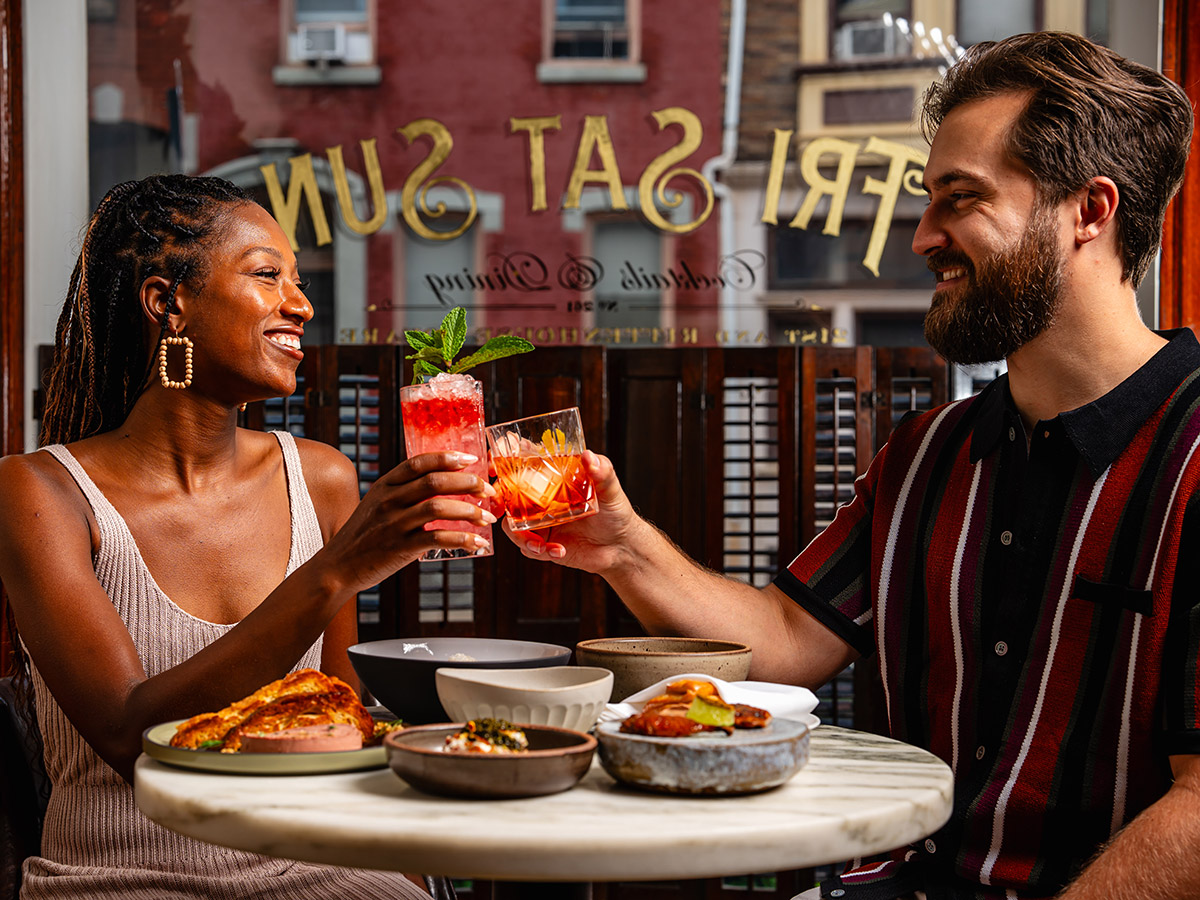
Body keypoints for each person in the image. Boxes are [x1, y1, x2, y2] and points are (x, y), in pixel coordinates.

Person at [504, 31, 1198, 900]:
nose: (923, 237)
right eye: (927, 199)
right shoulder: (924, 454)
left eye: (960, 199)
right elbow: (787, 644)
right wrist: (621, 544)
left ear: (1089, 211)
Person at [0, 174, 495, 899]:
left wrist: (402, 871)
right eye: (267, 275)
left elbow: (338, 718)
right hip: (123, 875)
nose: (302, 303)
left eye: (297, 280)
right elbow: (126, 731)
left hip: (323, 864)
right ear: (168, 301)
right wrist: (338, 569)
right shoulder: (39, 492)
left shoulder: (321, 478)